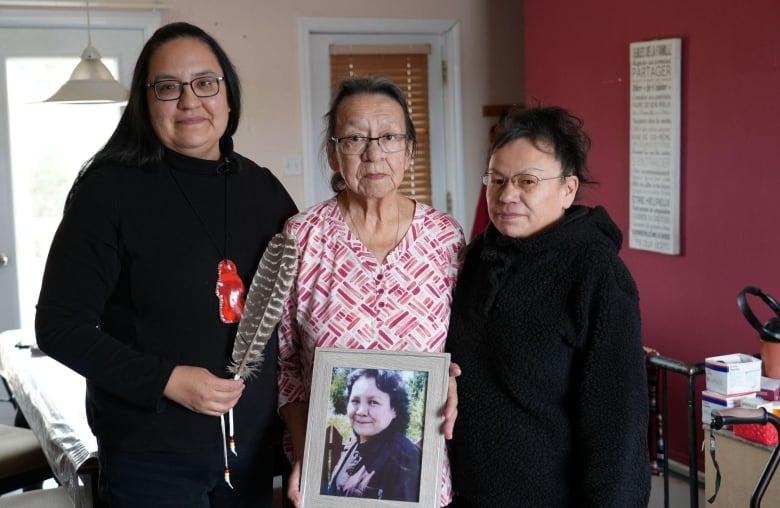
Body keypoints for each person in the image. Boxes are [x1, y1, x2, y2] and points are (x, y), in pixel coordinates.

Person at [34, 22, 297, 508]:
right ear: (144, 102)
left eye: (204, 83)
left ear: (228, 96)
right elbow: (58, 327)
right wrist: (168, 379)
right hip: (151, 461)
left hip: (253, 456)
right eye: (168, 87)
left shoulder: (263, 190)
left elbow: (307, 309)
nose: (189, 100)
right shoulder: (108, 192)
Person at [446, 106, 650, 507]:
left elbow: (618, 426)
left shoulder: (596, 273)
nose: (507, 195)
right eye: (497, 180)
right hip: (463, 492)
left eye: (527, 181)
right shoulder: (474, 258)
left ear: (568, 188)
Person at [276, 76, 465, 507]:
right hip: (329, 480)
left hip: (421, 479)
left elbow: (466, 350)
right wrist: (310, 455)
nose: (373, 152)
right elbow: (286, 368)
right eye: (355, 138)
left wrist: (455, 379)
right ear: (332, 153)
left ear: (410, 150)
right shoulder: (301, 237)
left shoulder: (445, 239)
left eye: (389, 137)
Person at [325, 369, 421, 501]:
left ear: (394, 410)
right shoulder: (354, 443)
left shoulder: (404, 456)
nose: (361, 411)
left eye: (373, 402)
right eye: (355, 401)